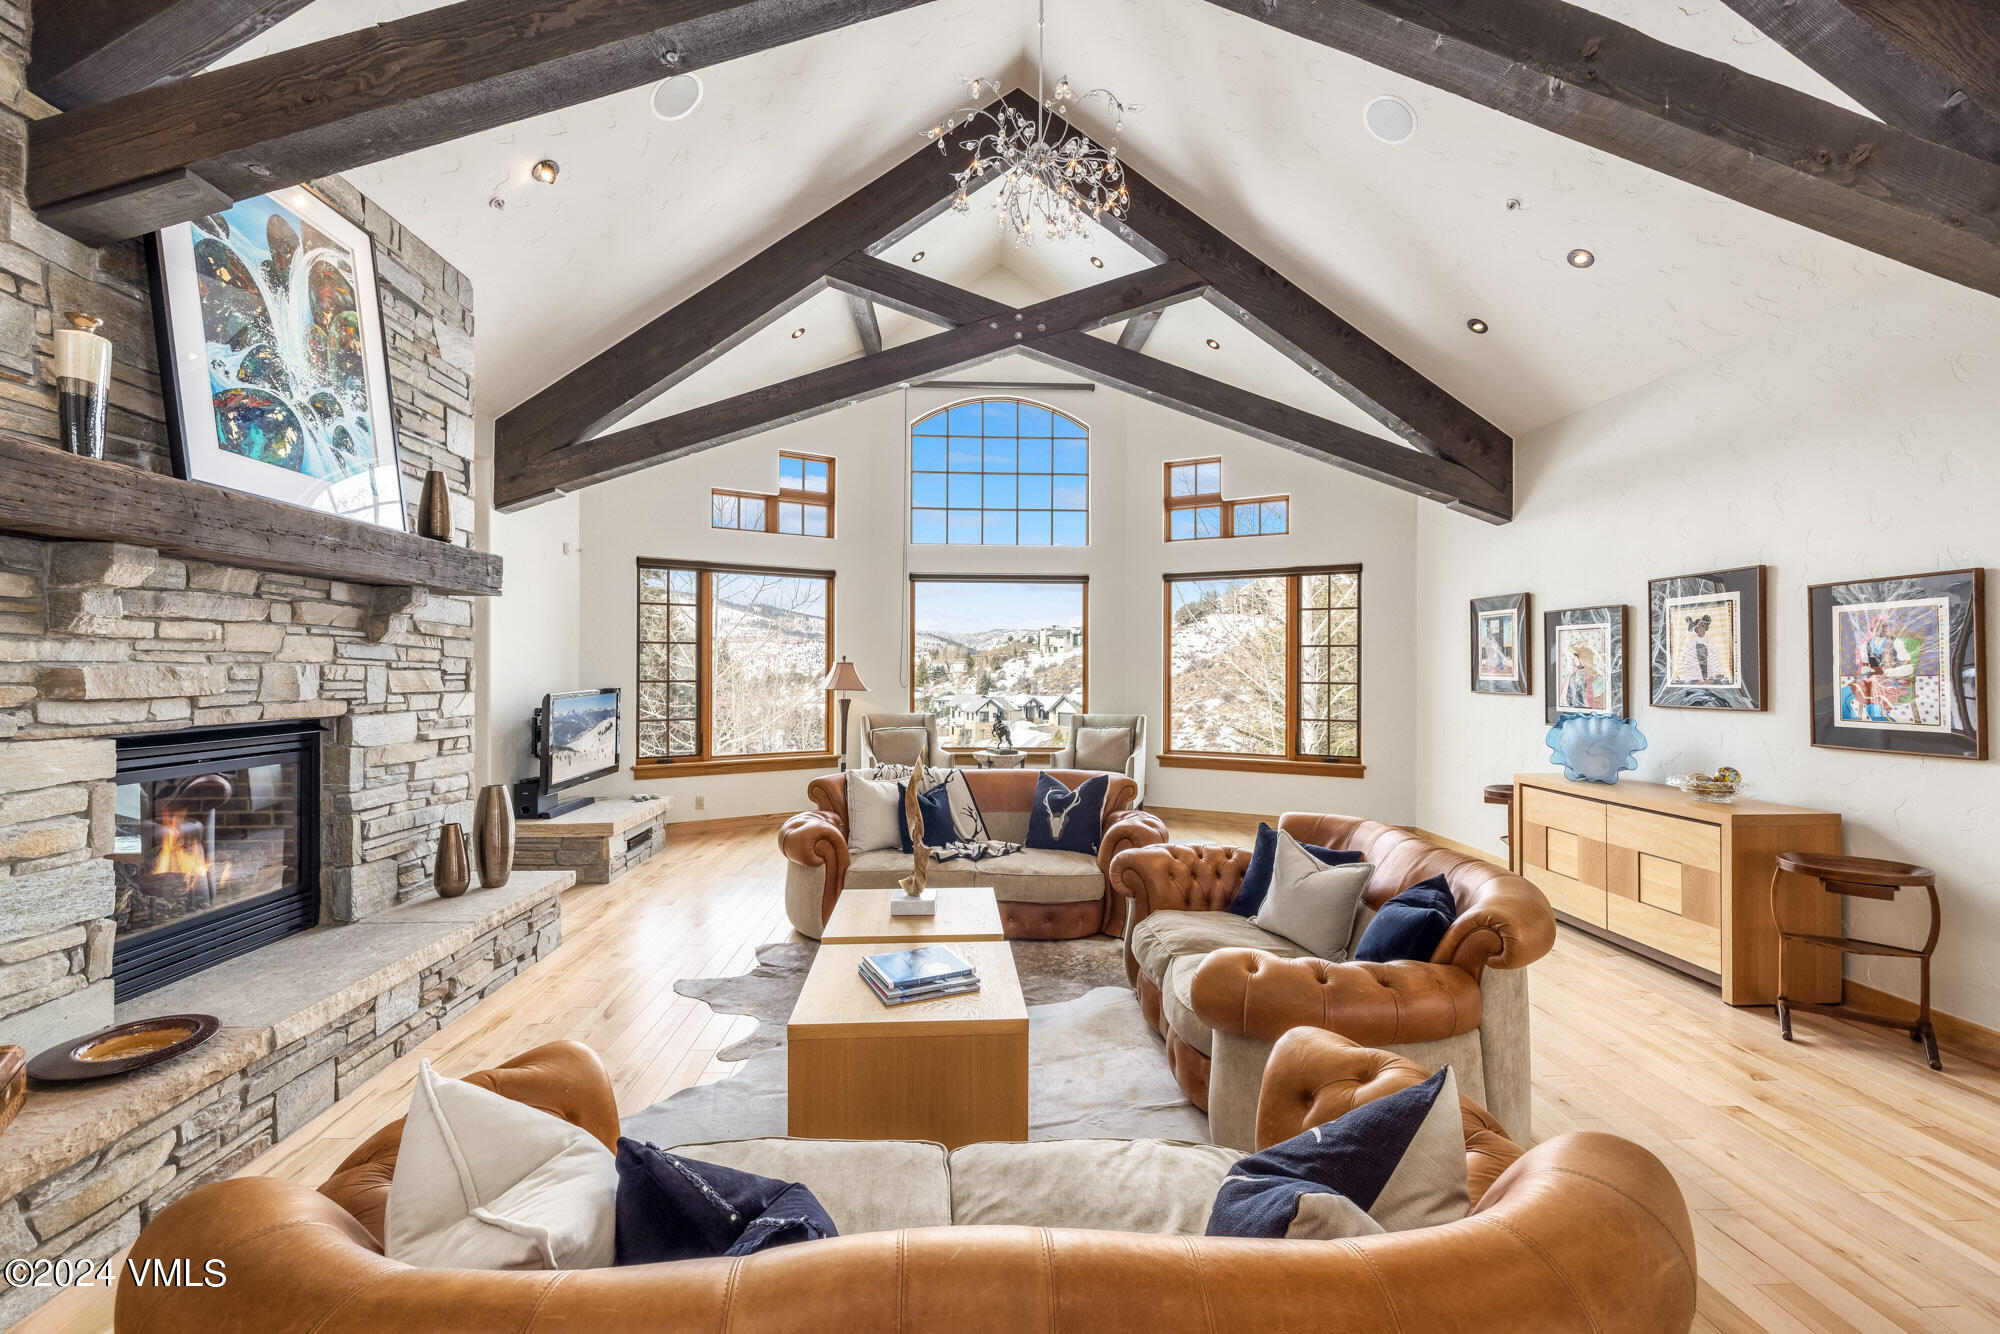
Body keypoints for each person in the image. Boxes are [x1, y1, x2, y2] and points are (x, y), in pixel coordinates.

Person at [1563, 640, 1603, 711]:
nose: (1573, 660)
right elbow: (1568, 696)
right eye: (1573, 658)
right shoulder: (1572, 676)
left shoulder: (1594, 678)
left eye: (1575, 658)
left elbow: (1598, 702)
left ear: (1582, 659)